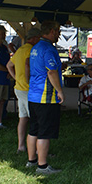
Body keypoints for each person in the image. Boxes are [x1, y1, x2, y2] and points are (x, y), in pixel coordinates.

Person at [27, 20, 64, 175]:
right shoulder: (48, 49)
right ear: (52, 31)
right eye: (58, 31)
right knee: (45, 131)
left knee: (33, 129)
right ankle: (42, 166)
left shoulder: (35, 47)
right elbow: (51, 72)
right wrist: (60, 91)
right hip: (46, 97)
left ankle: (32, 160)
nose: (59, 35)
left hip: (33, 95)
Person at [6, 28, 41, 153]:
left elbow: (9, 65)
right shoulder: (32, 50)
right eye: (38, 38)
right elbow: (27, 64)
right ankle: (37, 149)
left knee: (23, 118)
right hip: (28, 89)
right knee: (35, 119)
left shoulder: (20, 50)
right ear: (34, 38)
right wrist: (28, 81)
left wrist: (16, 77)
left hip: (19, 88)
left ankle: (21, 145)